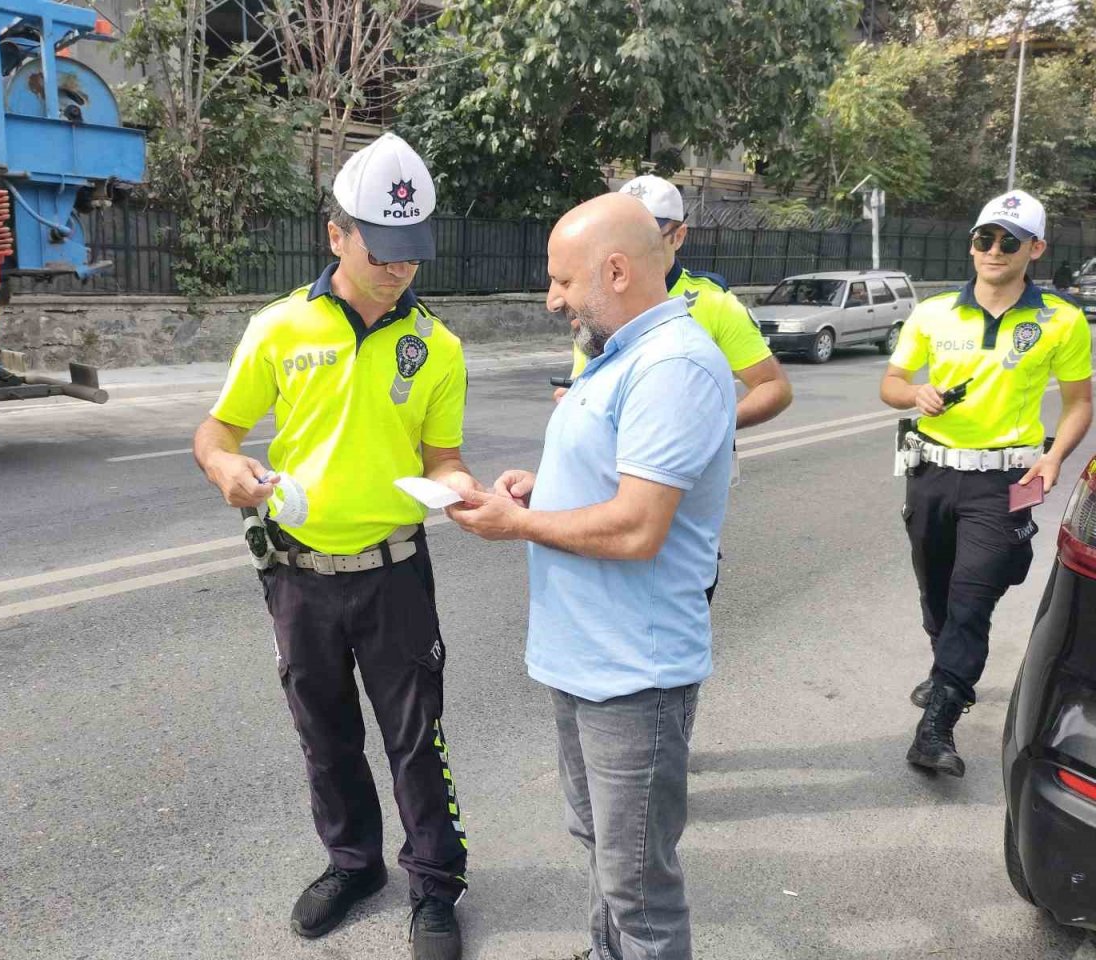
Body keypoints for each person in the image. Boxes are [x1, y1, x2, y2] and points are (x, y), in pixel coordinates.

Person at [192, 132, 476, 960]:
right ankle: (354, 865)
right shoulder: (279, 328)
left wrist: (467, 492)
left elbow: (445, 460)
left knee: (417, 738)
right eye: (382, 252)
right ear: (336, 235)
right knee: (325, 734)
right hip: (298, 574)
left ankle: (434, 884)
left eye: (411, 255)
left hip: (394, 574)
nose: (398, 271)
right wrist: (226, 471)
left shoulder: (439, 347)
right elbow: (215, 433)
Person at [448, 192, 736, 960]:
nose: (552, 299)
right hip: (585, 660)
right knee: (601, 848)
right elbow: (609, 485)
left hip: (632, 673)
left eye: (563, 282)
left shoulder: (673, 365)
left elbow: (639, 526)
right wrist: (538, 490)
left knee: (639, 885)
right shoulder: (619, 359)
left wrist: (517, 525)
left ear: (614, 271)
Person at [881, 189, 1093, 778]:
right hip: (929, 471)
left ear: (1035, 248)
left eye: (1009, 240)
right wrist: (913, 393)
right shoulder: (933, 313)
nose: (994, 250)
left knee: (974, 596)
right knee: (937, 591)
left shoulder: (1062, 320)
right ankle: (944, 666)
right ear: (971, 245)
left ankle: (939, 722)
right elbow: (892, 383)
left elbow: (1079, 404)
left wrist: (1055, 460)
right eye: (984, 238)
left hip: (1005, 479)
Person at [561, 175, 792, 430]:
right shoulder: (597, 301)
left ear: (678, 236)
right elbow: (584, 382)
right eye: (621, 237)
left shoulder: (713, 303)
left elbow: (773, 386)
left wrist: (710, 427)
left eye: (649, 237)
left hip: (685, 466)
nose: (631, 249)